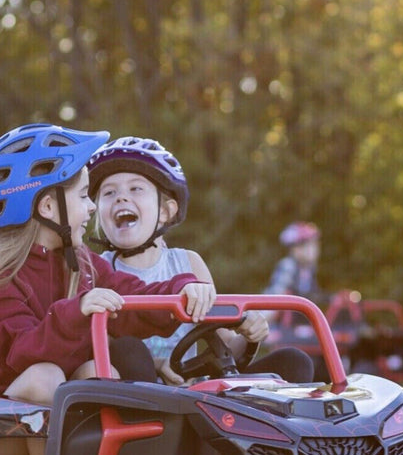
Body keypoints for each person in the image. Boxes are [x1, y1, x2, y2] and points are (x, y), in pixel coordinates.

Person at [0, 123, 215, 408]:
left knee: (99, 373)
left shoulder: (83, 264)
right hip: (0, 423)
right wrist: (78, 310)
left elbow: (133, 296)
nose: (92, 207)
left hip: (60, 421)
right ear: (48, 208)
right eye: (82, 196)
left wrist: (182, 288)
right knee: (45, 377)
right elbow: (21, 351)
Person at [88, 137, 314, 385]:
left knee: (295, 361)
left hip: (196, 395)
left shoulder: (188, 263)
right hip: (142, 401)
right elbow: (97, 349)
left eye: (135, 189)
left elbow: (226, 347)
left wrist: (250, 334)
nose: (121, 198)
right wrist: (157, 363)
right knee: (127, 349)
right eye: (109, 192)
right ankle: (154, 420)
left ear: (165, 211)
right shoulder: (95, 271)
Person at [265, 221, 321, 299]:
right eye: (306, 245)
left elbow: (312, 294)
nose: (312, 250)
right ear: (294, 249)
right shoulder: (288, 266)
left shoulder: (309, 268)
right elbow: (276, 294)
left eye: (314, 245)